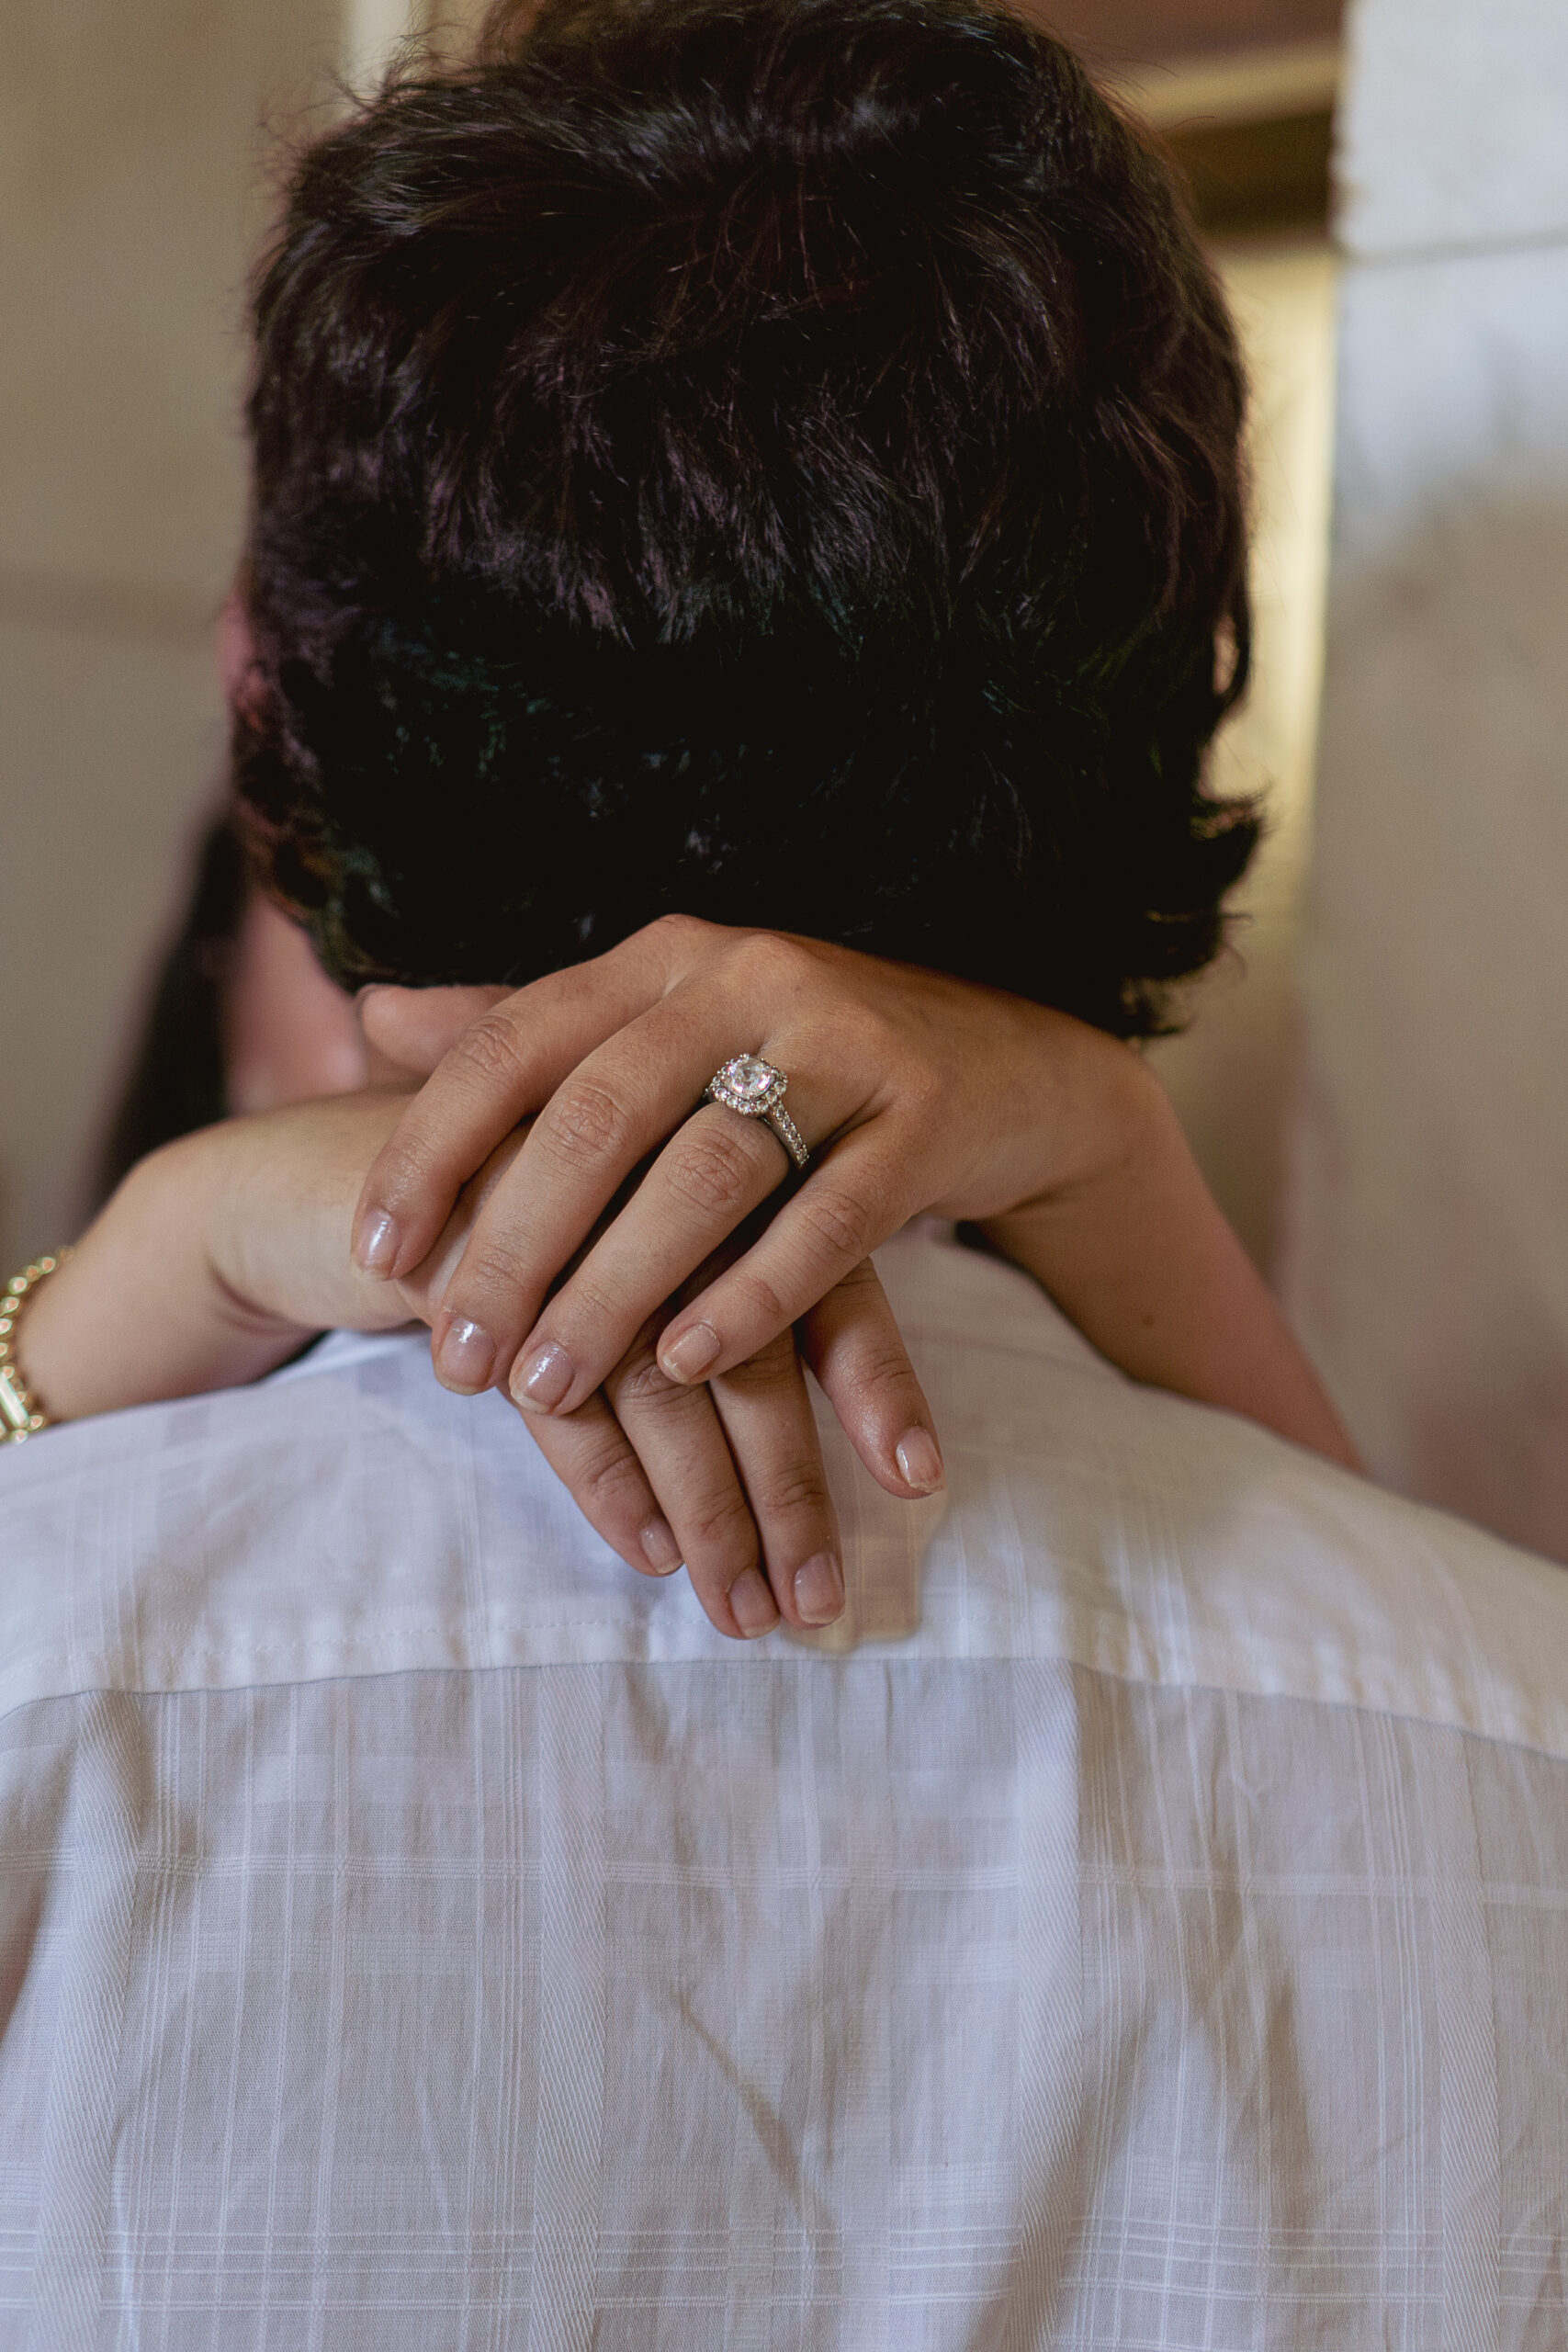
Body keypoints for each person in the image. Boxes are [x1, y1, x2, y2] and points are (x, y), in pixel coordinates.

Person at [7, 0, 1562, 2336]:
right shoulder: (1512, 1754)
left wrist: (118, 1281)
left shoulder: (54, 1670)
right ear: (1176, 709)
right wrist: (1108, 1158)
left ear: (281, 720)